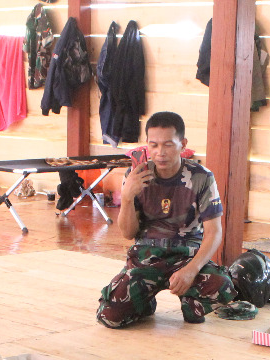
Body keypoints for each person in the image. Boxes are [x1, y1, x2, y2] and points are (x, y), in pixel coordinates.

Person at [96, 111, 236, 328]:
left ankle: (190, 301)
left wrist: (191, 270)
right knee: (110, 316)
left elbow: (214, 232)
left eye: (168, 145)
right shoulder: (136, 176)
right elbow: (128, 233)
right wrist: (127, 196)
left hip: (186, 254)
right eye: (153, 145)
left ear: (183, 144)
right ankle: (144, 302)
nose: (160, 152)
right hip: (146, 255)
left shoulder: (201, 177)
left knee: (223, 286)